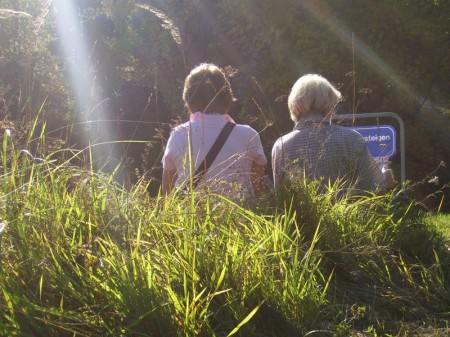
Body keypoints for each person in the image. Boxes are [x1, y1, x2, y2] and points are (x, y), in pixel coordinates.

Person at [272, 74, 393, 194]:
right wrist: (386, 177)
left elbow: (281, 196)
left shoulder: (281, 146)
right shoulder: (352, 138)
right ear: (330, 104)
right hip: (347, 212)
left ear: (294, 105)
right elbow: (375, 189)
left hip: (300, 214)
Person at [162, 63, 267, 201]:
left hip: (192, 220)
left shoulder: (179, 135)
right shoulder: (248, 135)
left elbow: (166, 193)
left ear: (188, 99)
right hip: (242, 220)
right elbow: (259, 190)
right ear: (227, 97)